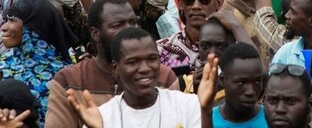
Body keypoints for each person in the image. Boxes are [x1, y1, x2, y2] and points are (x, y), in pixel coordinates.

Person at [66, 27, 216, 127]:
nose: (145, 69)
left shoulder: (188, 105)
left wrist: (206, 110)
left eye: (151, 59)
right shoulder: (102, 117)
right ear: (116, 68)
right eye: (133, 62)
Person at [0, 0, 76, 123]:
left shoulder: (68, 75)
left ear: (32, 26)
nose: (4, 27)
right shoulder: (1, 67)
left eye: (12, 20)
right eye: (6, 20)